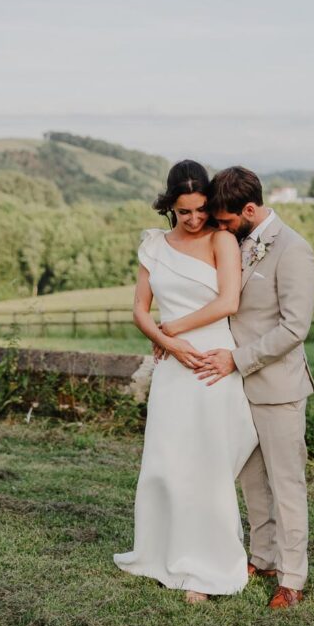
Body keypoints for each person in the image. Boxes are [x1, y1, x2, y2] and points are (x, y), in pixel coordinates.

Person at [113, 160, 258, 603]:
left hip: (211, 363)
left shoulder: (222, 240)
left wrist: (172, 331)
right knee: (166, 460)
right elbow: (140, 308)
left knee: (207, 467)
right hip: (173, 368)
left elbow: (228, 301)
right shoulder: (154, 245)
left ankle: (207, 569)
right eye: (184, 211)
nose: (194, 219)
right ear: (169, 206)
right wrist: (164, 341)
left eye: (200, 210)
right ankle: (161, 555)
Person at [197, 166, 314, 609]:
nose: (221, 229)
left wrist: (238, 359)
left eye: (227, 221)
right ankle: (262, 557)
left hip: (277, 388)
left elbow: (294, 328)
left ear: (249, 209)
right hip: (235, 389)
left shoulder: (294, 250)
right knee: (252, 484)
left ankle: (292, 578)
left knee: (287, 485)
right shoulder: (237, 242)